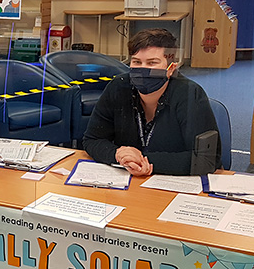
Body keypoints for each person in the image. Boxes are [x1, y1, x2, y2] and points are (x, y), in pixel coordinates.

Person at [83, 28, 220, 176]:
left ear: (171, 69)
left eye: (152, 63)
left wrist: (144, 161)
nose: (143, 69)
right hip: (128, 180)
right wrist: (117, 154)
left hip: (174, 183)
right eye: (136, 62)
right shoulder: (118, 87)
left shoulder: (189, 94)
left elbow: (206, 159)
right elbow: (92, 139)